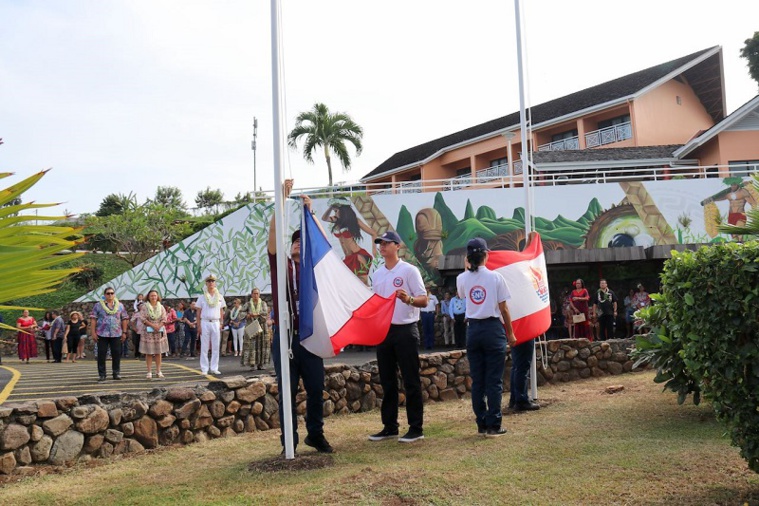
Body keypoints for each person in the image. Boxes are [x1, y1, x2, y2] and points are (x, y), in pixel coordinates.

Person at [268, 180, 333, 454]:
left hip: (310, 337)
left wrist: (312, 213)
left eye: (300, 241)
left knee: (316, 389)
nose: (297, 244)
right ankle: (289, 444)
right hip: (285, 338)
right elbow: (272, 241)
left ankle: (315, 435)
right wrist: (281, 201)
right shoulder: (281, 268)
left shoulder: (313, 270)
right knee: (287, 393)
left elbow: (325, 245)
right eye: (294, 241)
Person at [368, 229, 428, 444]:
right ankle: (390, 427)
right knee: (387, 381)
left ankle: (416, 428)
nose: (382, 246)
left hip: (405, 329)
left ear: (397, 246)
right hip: (384, 331)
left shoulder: (409, 271)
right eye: (380, 243)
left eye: (387, 243)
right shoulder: (377, 274)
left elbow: (424, 299)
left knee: (411, 379)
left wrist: (409, 299)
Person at [456, 238, 517, 436]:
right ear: (486, 254)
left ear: (468, 257)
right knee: (494, 380)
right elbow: (504, 308)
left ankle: (481, 423)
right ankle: (494, 424)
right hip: (492, 328)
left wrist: (466, 269)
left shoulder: (462, 279)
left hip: (473, 329)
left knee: (478, 380)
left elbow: (463, 295)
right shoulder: (496, 277)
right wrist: (510, 333)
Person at [321, 197, 377, 285]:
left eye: (336, 211)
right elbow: (324, 218)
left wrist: (374, 250)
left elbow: (374, 233)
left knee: (363, 283)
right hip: (348, 258)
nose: (335, 213)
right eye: (334, 211)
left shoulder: (354, 220)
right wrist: (331, 207)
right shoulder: (336, 221)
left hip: (358, 256)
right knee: (349, 285)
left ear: (343, 210)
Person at [89, 286, 129, 382]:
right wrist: (93, 332)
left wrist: (124, 332)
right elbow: (93, 319)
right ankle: (102, 375)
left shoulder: (120, 305)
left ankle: (116, 373)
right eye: (108, 293)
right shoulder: (98, 305)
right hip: (102, 333)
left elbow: (124, 319)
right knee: (101, 354)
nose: (110, 295)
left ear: (114, 294)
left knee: (116, 354)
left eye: (112, 293)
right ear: (104, 295)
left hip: (116, 333)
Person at [196, 274, 226, 376]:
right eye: (209, 282)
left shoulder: (220, 296)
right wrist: (199, 325)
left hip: (216, 322)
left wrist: (221, 323)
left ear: (215, 283)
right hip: (205, 322)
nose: (211, 283)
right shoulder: (201, 297)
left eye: (212, 281)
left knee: (216, 346)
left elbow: (222, 311)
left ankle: (214, 367)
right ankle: (204, 368)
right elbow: (198, 312)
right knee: (204, 346)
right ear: (206, 283)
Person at [140, 289, 170, 379]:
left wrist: (158, 326)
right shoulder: (145, 307)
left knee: (158, 352)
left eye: (155, 295)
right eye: (151, 296)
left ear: (157, 297)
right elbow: (142, 318)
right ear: (148, 297)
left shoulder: (161, 307)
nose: (153, 297)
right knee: (149, 352)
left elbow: (164, 318)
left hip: (159, 330)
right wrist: (153, 325)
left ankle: (158, 371)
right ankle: (149, 372)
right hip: (148, 330)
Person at [243, 288, 270, 369]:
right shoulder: (248, 304)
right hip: (251, 326)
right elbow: (241, 312)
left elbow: (265, 312)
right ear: (251, 294)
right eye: (254, 293)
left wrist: (257, 314)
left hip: (261, 327)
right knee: (252, 346)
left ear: (259, 294)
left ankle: (260, 364)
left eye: (257, 293)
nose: (255, 295)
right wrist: (247, 315)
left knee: (261, 346)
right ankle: (252, 364)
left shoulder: (263, 303)